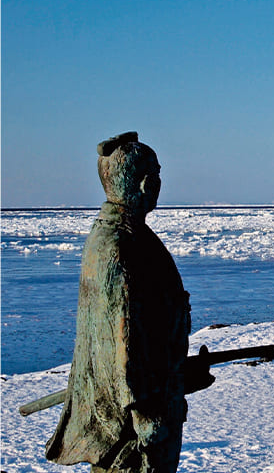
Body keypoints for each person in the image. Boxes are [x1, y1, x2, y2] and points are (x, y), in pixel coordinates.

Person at [46, 132, 210, 473]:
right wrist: (143, 413)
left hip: (145, 407)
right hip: (131, 432)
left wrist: (179, 375)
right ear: (145, 183)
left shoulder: (121, 235)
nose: (159, 184)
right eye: (157, 175)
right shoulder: (120, 248)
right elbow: (123, 342)